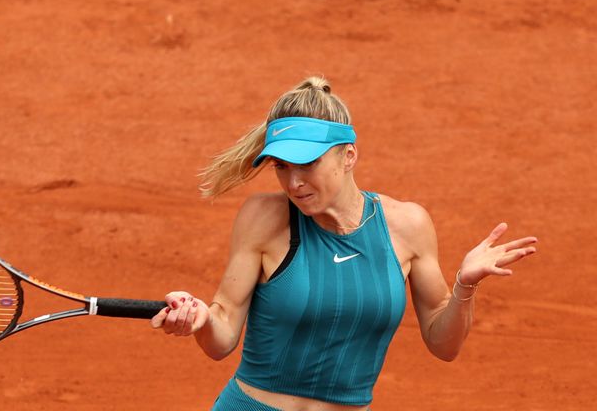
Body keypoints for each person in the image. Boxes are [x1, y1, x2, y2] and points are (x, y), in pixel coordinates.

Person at [150, 76, 537, 411]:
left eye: (308, 164)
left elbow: (444, 344)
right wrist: (201, 319)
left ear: (348, 155)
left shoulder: (407, 225)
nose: (293, 183)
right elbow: (221, 336)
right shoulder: (265, 218)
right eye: (281, 167)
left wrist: (465, 286)